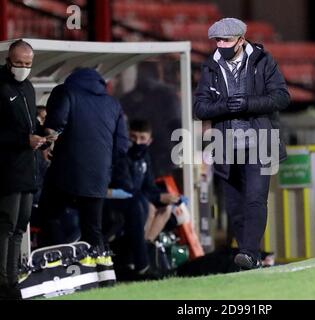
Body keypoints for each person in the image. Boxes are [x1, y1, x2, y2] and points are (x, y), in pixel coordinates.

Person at [194, 18, 290, 270]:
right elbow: (199, 108)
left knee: (255, 199)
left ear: (241, 39)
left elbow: (281, 97)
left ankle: (249, 254)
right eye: (217, 41)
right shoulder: (209, 67)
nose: (221, 45)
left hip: (260, 144)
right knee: (234, 206)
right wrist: (225, 106)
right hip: (226, 148)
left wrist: (248, 103)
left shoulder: (264, 61)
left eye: (226, 40)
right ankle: (251, 257)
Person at [38, 68, 129, 253]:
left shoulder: (66, 92)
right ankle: (101, 275)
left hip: (65, 172)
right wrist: (104, 166)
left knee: (50, 216)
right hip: (98, 177)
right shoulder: (113, 103)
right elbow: (121, 146)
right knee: (93, 228)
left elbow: (56, 124)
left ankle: (56, 263)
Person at [0, 40, 47, 299]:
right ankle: (3, 283)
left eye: (27, 64)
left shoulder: (28, 88)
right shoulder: (1, 87)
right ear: (9, 60)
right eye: (18, 63)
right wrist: (23, 141)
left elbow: (29, 128)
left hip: (28, 170)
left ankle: (12, 281)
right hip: (7, 171)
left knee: (19, 227)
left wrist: (43, 135)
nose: (23, 68)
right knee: (6, 227)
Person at [104, 119, 180, 279]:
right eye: (133, 137)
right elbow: (127, 189)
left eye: (142, 138)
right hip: (118, 202)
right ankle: (140, 260)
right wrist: (158, 196)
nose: (137, 142)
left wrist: (168, 197)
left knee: (166, 209)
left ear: (149, 141)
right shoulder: (122, 156)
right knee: (148, 207)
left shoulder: (145, 158)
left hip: (137, 199)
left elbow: (149, 186)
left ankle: (146, 249)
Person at [120, 61, 181, 178]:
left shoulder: (127, 98)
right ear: (158, 74)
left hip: (136, 155)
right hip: (164, 157)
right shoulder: (168, 94)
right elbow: (176, 124)